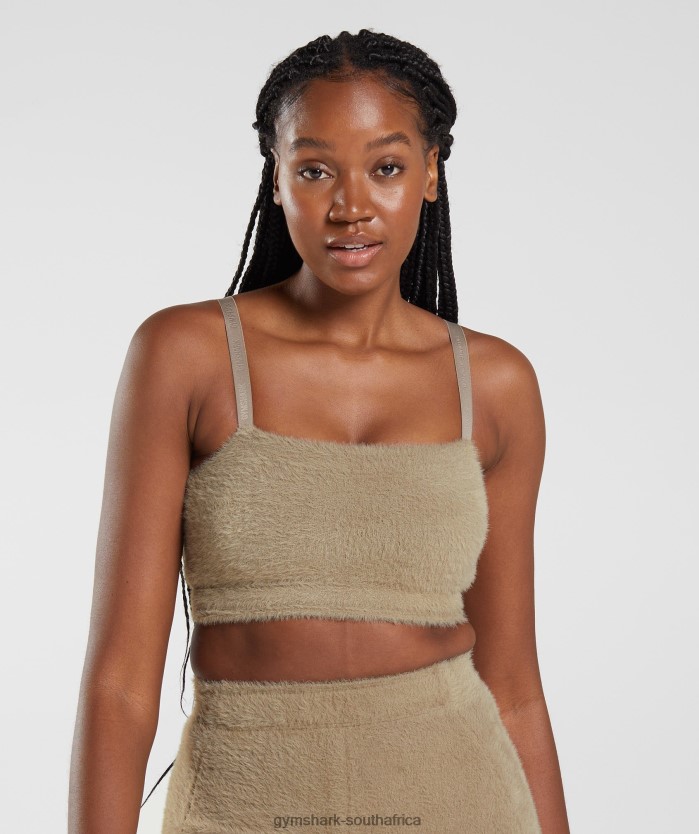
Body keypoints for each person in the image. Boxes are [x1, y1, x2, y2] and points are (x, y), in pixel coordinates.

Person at [68, 29, 570, 834]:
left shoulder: (496, 385)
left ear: (431, 172)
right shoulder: (185, 355)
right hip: (242, 800)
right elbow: (122, 684)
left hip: (460, 795)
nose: (350, 205)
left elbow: (513, 687)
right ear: (275, 179)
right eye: (314, 170)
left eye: (386, 167)